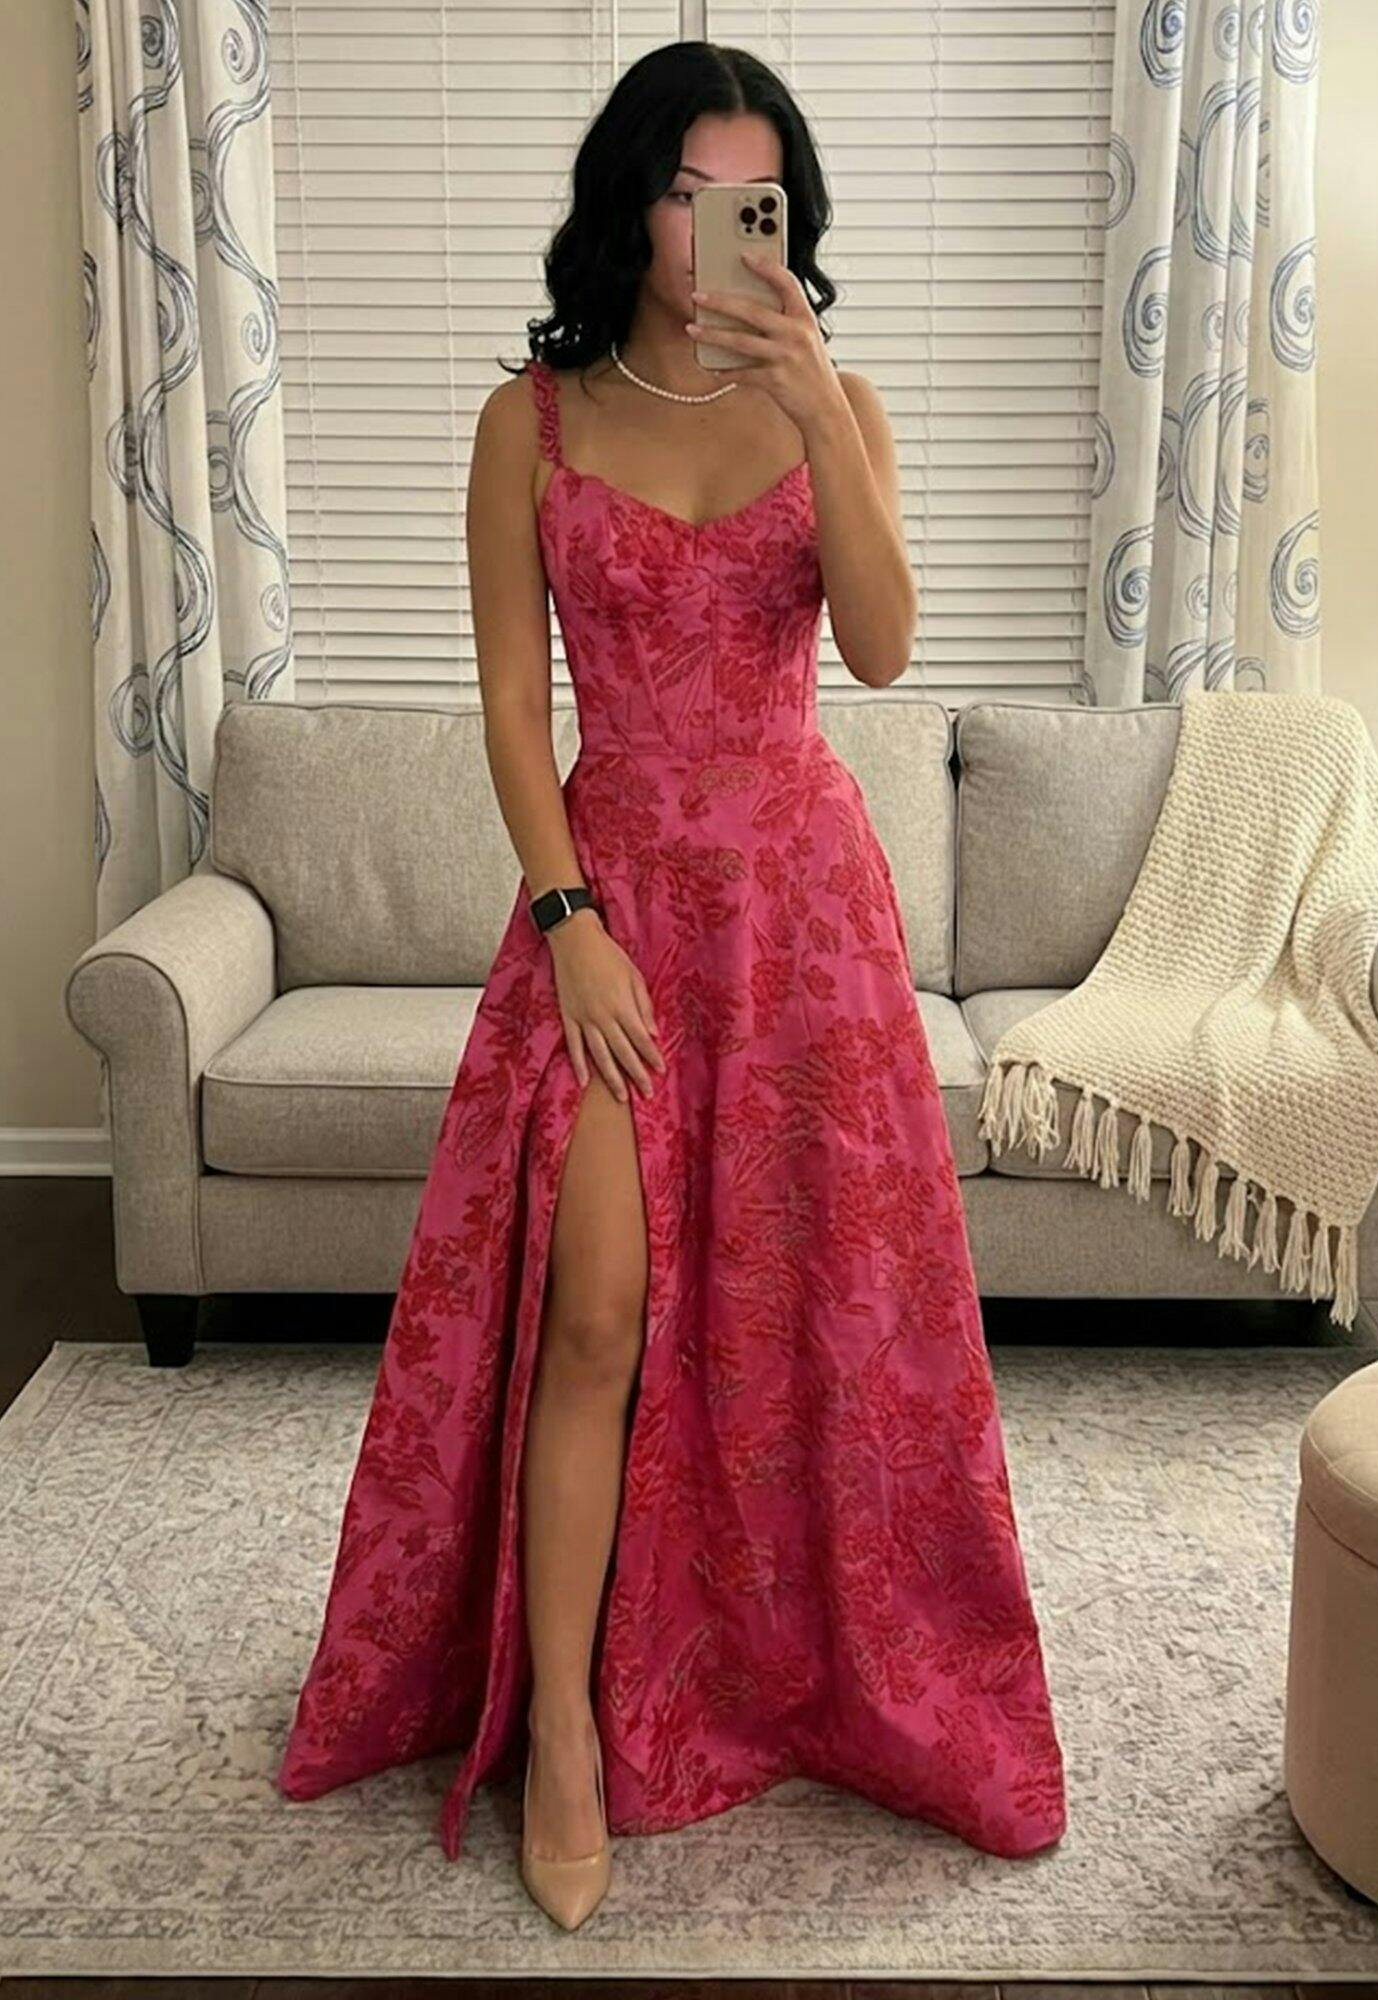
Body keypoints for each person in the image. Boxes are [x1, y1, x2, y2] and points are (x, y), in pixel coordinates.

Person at [276, 39, 1067, 1931]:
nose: (721, 228)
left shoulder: (835, 402)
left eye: (754, 197)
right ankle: (561, 1726)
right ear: (630, 203)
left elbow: (883, 650)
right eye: (689, 191)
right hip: (616, 907)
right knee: (596, 1311)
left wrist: (816, 411)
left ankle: (776, 1667)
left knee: (815, 1330)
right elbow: (509, 706)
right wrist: (568, 923)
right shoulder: (533, 421)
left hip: (802, 916)